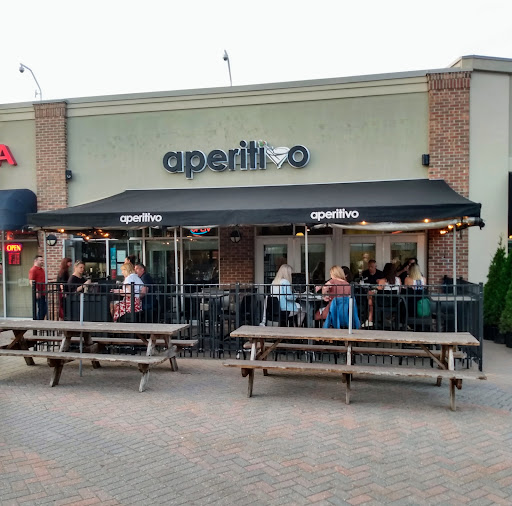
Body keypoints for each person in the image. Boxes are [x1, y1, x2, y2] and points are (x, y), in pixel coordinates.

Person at [29, 254, 47, 320]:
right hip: (38, 292)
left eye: (42, 260)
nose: (42, 261)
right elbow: (31, 281)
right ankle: (38, 321)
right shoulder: (33, 270)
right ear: (36, 261)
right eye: (40, 260)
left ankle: (40, 320)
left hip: (43, 292)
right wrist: (36, 291)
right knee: (41, 308)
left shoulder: (41, 269)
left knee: (44, 308)